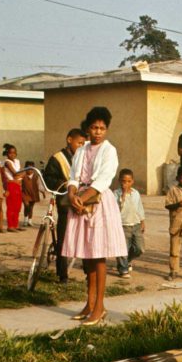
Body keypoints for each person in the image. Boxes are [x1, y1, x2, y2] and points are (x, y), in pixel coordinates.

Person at [63, 107, 126, 325]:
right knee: (86, 255)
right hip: (80, 201)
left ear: (106, 129)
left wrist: (84, 197)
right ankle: (89, 304)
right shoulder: (81, 150)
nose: (98, 132)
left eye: (102, 128)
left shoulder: (109, 151)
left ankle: (99, 307)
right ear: (88, 128)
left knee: (98, 255)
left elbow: (104, 179)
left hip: (98, 203)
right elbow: (73, 176)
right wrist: (72, 194)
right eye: (94, 127)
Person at [43, 127, 86, 283]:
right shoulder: (57, 158)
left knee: (85, 236)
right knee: (63, 239)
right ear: (69, 140)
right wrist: (63, 183)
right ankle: (63, 274)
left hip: (83, 202)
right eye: (79, 143)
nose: (81, 146)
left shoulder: (84, 157)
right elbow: (48, 178)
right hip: (65, 203)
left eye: (83, 143)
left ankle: (87, 269)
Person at [113, 169, 145, 277]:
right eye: (123, 181)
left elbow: (139, 208)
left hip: (135, 224)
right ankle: (123, 269)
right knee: (123, 248)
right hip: (123, 225)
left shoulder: (136, 193)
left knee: (139, 248)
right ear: (119, 181)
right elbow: (116, 209)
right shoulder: (116, 194)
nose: (126, 184)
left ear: (132, 181)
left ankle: (127, 260)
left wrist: (142, 221)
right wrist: (122, 196)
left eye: (128, 181)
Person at [1, 144, 23, 232]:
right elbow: (15, 174)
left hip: (18, 185)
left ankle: (16, 224)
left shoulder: (17, 161)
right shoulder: (7, 162)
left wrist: (20, 176)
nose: (12, 155)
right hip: (11, 185)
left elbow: (19, 174)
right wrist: (22, 175)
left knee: (18, 206)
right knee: (11, 206)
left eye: (14, 153)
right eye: (10, 153)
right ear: (7, 154)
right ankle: (10, 226)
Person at [21, 160, 41, 227]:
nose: (30, 170)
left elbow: (39, 184)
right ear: (25, 168)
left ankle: (30, 220)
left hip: (33, 193)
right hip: (25, 193)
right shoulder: (23, 175)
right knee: (26, 205)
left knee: (31, 207)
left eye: (31, 168)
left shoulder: (36, 176)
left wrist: (42, 192)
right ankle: (25, 220)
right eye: (28, 168)